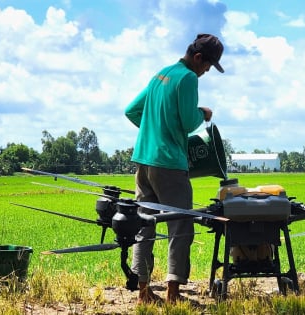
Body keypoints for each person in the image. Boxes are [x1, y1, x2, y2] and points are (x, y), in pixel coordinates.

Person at [124, 33, 224, 303]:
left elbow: (132, 110)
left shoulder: (161, 74)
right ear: (198, 58)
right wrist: (202, 113)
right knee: (180, 225)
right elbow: (188, 122)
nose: (205, 72)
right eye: (208, 66)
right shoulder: (188, 78)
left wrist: (154, 130)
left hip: (144, 160)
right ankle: (173, 293)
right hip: (169, 164)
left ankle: (143, 291)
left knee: (144, 225)